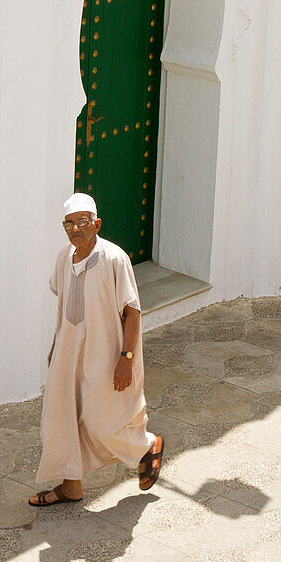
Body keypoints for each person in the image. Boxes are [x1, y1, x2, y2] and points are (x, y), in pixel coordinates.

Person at [29, 193, 164, 506]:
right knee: (62, 416)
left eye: (83, 222)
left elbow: (132, 311)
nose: (76, 228)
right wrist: (56, 346)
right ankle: (70, 486)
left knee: (101, 420)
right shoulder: (64, 257)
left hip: (106, 353)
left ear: (97, 224)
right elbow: (65, 307)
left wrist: (126, 359)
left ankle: (146, 447)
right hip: (68, 351)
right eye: (70, 224)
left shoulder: (114, 258)